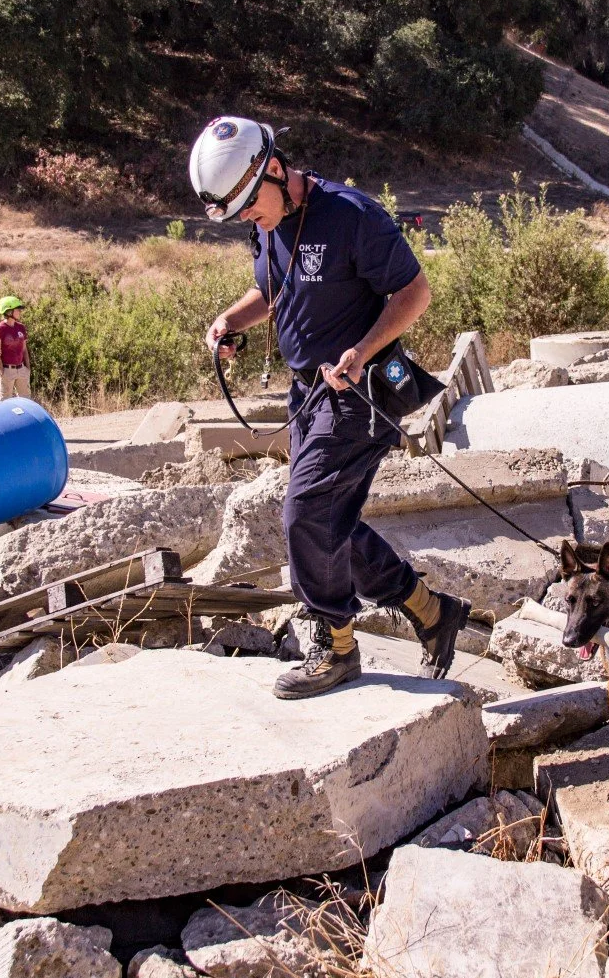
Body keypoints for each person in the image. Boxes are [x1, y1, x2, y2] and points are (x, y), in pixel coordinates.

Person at [191, 115, 470, 699]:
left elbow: (415, 291)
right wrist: (230, 321)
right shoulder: (268, 222)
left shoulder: (351, 216)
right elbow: (272, 290)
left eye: (248, 206)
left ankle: (337, 646)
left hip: (362, 389)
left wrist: (363, 349)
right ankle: (431, 611)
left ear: (273, 168)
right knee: (329, 520)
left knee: (306, 513)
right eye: (237, 213)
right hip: (309, 391)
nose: (247, 218)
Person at [0, 296, 31, 400]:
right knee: (6, 404)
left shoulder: (21, 327)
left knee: (26, 401)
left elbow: (24, 350)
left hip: (21, 369)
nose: (20, 312)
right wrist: (1, 372)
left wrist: (27, 368)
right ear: (9, 312)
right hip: (7, 370)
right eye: (17, 310)